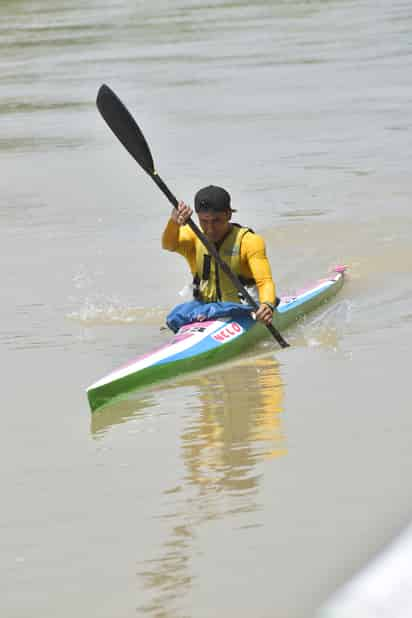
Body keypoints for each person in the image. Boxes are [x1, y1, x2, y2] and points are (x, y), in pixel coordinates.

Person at [161, 185, 277, 326]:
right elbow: (168, 245)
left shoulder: (250, 241)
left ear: (228, 215)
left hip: (244, 309)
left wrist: (267, 305)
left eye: (216, 221)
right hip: (206, 309)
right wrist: (174, 222)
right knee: (174, 317)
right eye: (204, 221)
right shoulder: (193, 237)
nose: (210, 229)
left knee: (221, 309)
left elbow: (264, 281)